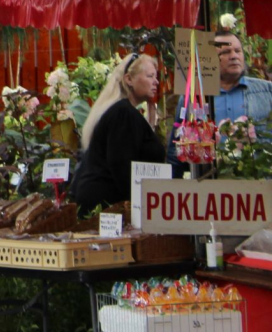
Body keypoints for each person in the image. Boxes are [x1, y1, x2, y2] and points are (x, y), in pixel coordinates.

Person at [73, 52, 168, 214]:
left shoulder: (121, 111)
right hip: (108, 208)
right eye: (150, 76)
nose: (156, 81)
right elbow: (122, 167)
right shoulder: (123, 113)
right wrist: (139, 209)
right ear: (129, 79)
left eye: (156, 76)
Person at [169, 31, 272, 160]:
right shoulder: (194, 98)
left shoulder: (267, 91)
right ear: (210, 59)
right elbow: (176, 149)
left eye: (237, 51)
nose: (234, 56)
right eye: (226, 52)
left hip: (257, 177)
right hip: (210, 176)